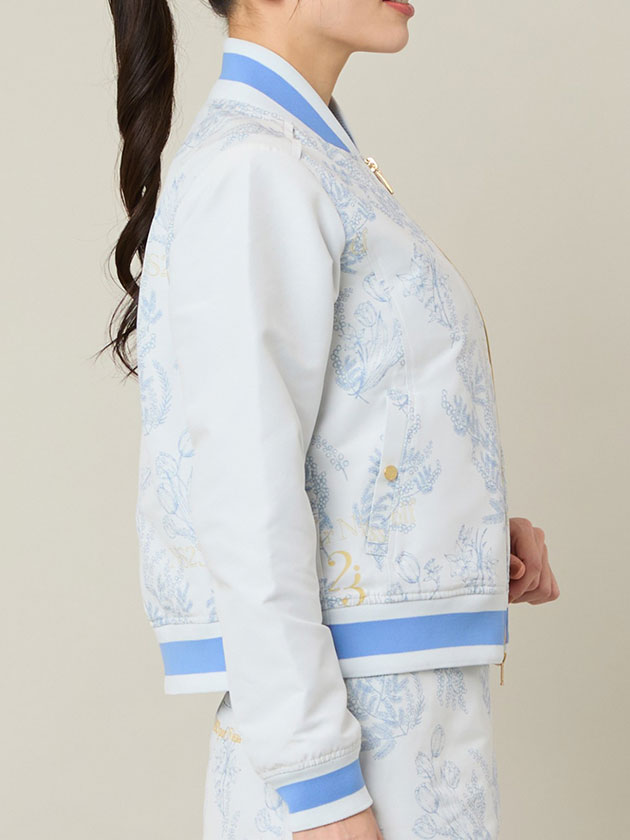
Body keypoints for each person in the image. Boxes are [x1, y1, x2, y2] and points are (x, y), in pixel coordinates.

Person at [102, 0, 560, 837]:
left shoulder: (304, 154)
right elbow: (243, 495)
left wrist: (461, 534)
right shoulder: (255, 166)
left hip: (402, 732)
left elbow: (342, 425)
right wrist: (321, 790)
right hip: (351, 752)